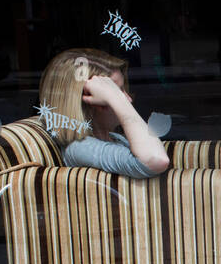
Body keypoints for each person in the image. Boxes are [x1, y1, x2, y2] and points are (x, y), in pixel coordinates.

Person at [37, 48, 170, 177]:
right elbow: (157, 160)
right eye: (116, 92)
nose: (128, 99)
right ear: (89, 99)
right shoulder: (80, 147)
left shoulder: (113, 137)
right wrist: (118, 101)